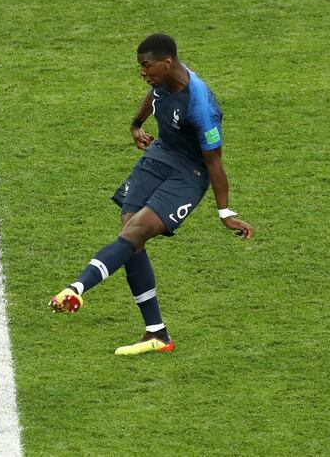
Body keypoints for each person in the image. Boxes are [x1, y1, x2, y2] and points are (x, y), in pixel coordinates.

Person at [49, 33, 254, 356]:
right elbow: (153, 96)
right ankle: (156, 333)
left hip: (189, 174)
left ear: (167, 62)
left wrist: (225, 213)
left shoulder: (201, 107)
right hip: (159, 157)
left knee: (134, 234)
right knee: (130, 239)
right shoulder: (164, 80)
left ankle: (76, 288)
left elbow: (214, 163)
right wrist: (136, 124)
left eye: (146, 66)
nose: (142, 72)